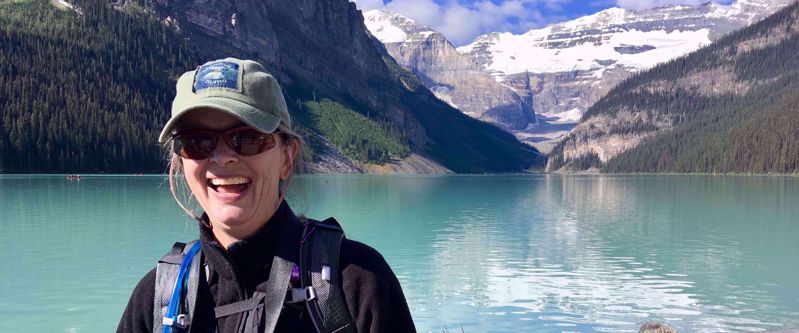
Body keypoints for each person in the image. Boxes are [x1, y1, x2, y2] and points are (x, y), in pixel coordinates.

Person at [117, 58, 415, 333]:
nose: (222, 158)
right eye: (198, 141)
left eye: (246, 138)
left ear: (287, 158)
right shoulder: (156, 298)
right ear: (181, 160)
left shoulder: (357, 281)